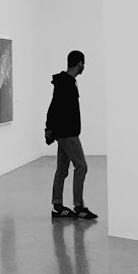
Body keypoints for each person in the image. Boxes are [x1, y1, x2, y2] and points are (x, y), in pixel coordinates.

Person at [45, 50, 97, 220]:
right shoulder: (66, 84)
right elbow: (53, 108)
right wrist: (49, 129)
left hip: (63, 134)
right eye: (83, 63)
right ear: (79, 63)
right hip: (68, 134)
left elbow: (53, 107)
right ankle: (79, 207)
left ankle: (58, 206)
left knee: (61, 170)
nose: (84, 67)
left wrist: (51, 130)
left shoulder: (66, 82)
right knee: (81, 166)